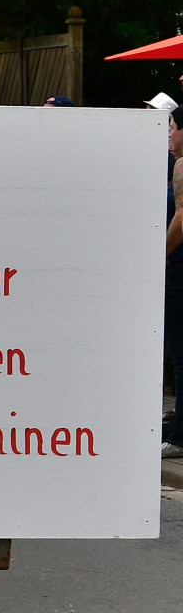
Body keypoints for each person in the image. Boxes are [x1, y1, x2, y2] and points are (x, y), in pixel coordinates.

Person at [164, 107, 183, 457]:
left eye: (172, 127)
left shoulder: (182, 165)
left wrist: (160, 253)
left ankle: (179, 437)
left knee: (180, 353)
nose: (168, 134)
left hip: (179, 268)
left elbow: (182, 216)